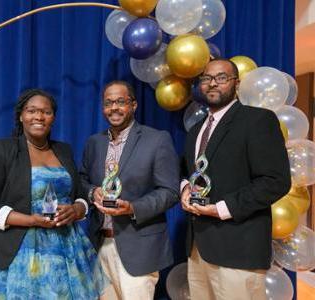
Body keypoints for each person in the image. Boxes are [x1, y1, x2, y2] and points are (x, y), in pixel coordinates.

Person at [0, 89, 107, 299]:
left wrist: (77, 209)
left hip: (65, 249)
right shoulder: (3, 149)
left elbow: (79, 195)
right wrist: (31, 220)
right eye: (32, 111)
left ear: (53, 117)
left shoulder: (64, 150)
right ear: (21, 116)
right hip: (14, 252)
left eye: (46, 112)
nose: (39, 117)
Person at [180, 59, 291, 299]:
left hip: (238, 249)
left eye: (221, 78)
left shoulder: (258, 120)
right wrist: (184, 189)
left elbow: (276, 180)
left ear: (236, 84)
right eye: (207, 78)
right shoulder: (195, 130)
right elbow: (187, 173)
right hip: (198, 248)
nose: (212, 84)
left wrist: (221, 208)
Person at [80, 80, 180, 300]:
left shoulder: (156, 139)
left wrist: (132, 208)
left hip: (138, 248)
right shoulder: (94, 143)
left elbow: (170, 191)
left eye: (120, 101)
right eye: (108, 103)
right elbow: (82, 180)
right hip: (99, 245)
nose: (114, 108)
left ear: (133, 105)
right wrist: (92, 191)